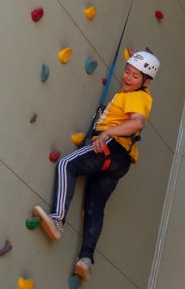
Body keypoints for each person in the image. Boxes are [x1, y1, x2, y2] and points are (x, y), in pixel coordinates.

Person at [32, 51, 159, 281]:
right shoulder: (135, 95)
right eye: (127, 72)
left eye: (135, 76)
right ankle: (85, 259)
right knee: (94, 206)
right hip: (121, 162)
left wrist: (108, 132)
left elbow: (137, 122)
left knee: (66, 165)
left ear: (146, 82)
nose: (128, 78)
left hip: (111, 146)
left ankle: (57, 220)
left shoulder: (138, 96)